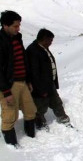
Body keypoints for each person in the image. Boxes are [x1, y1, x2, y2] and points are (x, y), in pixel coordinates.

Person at [0, 10, 37, 147]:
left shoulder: (17, 38)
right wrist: (6, 92)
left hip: (22, 82)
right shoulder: (1, 41)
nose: (18, 28)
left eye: (19, 25)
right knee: (10, 115)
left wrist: (28, 80)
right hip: (9, 85)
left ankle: (31, 137)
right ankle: (12, 147)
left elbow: (22, 60)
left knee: (30, 110)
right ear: (5, 25)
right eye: (15, 26)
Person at [26, 29, 71, 131]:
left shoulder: (43, 47)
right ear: (44, 39)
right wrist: (41, 89)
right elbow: (34, 73)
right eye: (50, 40)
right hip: (39, 86)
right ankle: (40, 125)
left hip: (49, 83)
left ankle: (63, 118)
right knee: (40, 107)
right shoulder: (33, 51)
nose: (51, 42)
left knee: (56, 102)